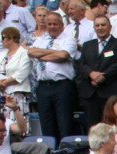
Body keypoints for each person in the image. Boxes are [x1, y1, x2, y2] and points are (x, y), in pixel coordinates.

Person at [27, 12, 76, 141]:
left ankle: (66, 150)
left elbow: (63, 56)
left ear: (62, 25)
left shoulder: (69, 39)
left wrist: (41, 55)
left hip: (62, 86)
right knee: (46, 122)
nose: (52, 27)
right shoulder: (42, 39)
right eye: (49, 24)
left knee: (64, 122)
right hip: (43, 86)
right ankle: (50, 151)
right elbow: (31, 52)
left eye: (55, 24)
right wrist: (53, 52)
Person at [75, 15, 117, 126]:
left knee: (112, 126)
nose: (100, 28)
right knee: (93, 128)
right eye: (97, 25)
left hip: (111, 93)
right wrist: (91, 74)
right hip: (91, 94)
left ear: (110, 27)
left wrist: (101, 77)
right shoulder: (87, 45)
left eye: (103, 25)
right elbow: (81, 64)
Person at [0, 26, 29, 112]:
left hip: (17, 92)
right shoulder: (1, 54)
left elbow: (22, 72)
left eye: (3, 38)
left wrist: (4, 83)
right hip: (0, 93)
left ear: (11, 38)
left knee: (18, 120)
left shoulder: (24, 53)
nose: (2, 41)